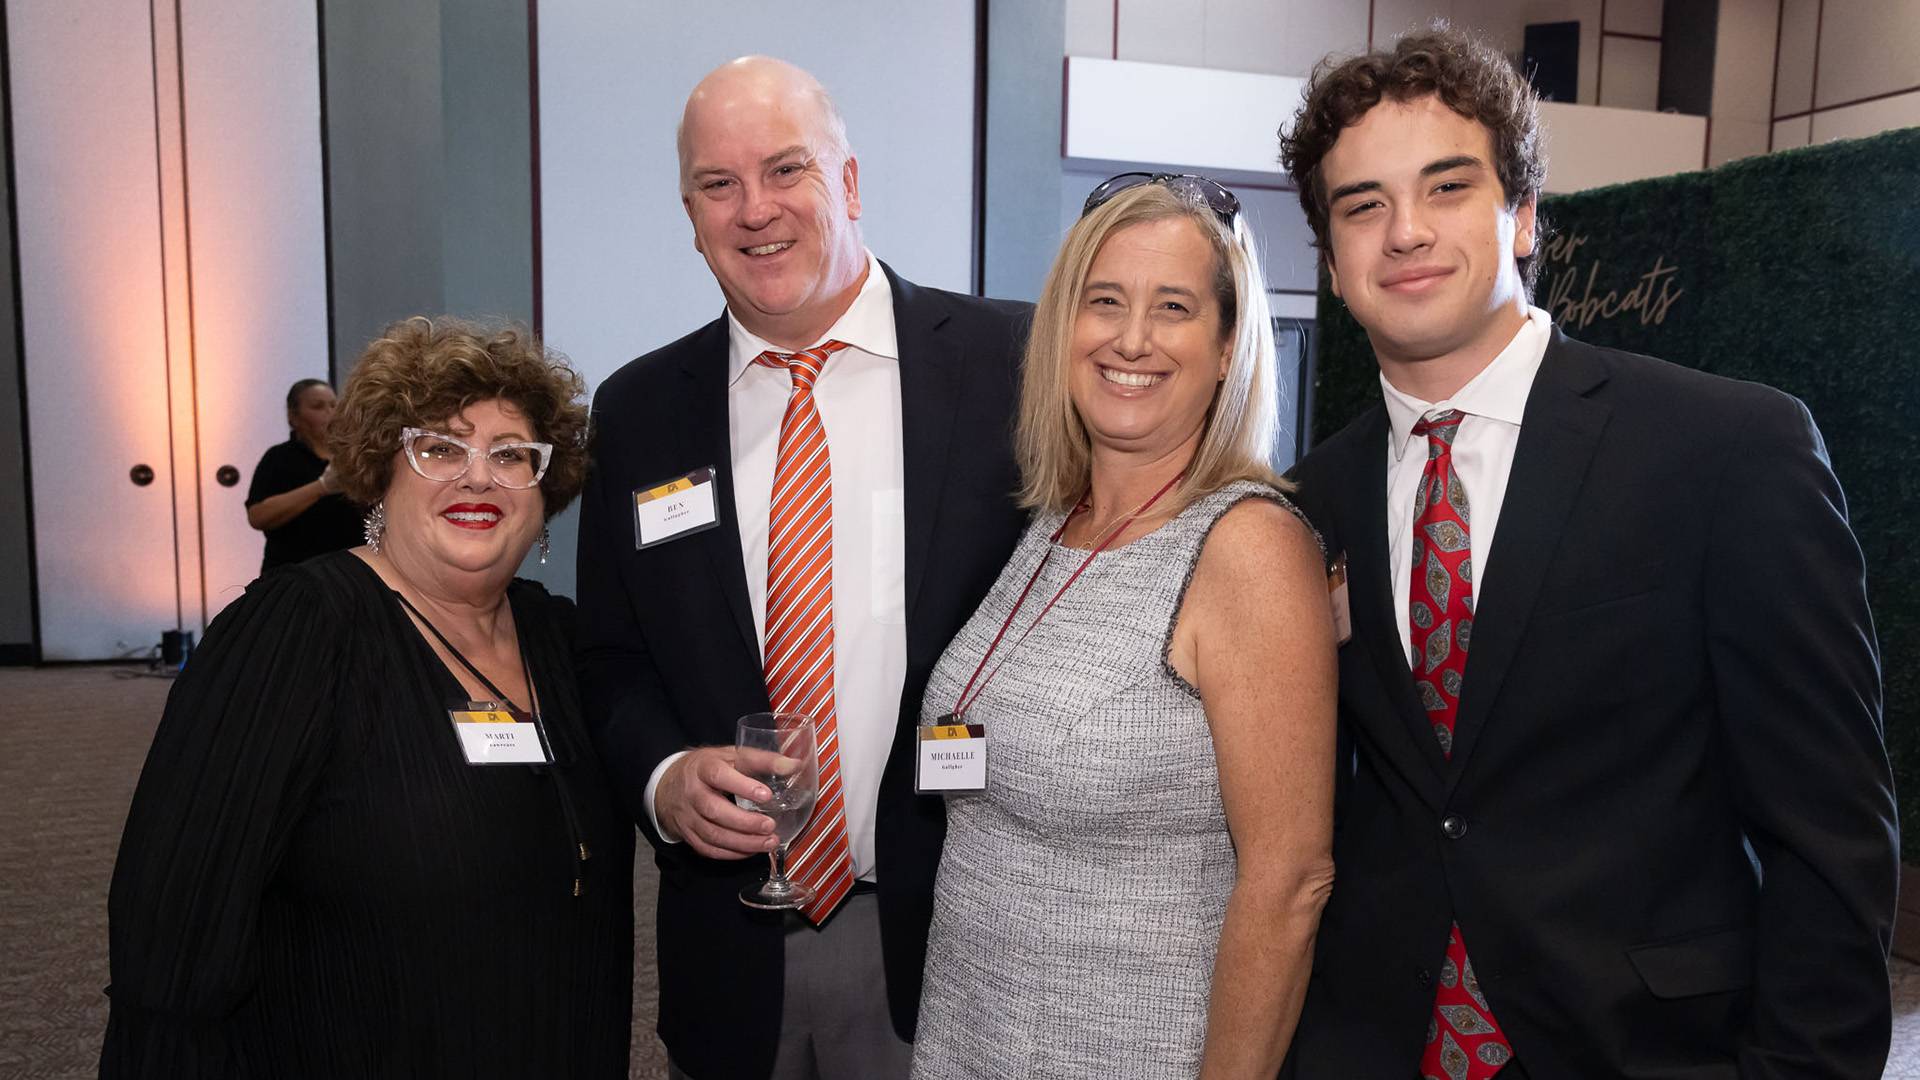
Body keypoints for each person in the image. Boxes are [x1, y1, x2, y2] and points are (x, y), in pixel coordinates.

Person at [1279, 28, 1896, 1079]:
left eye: (1446, 186)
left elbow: (1830, 836)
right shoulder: (1310, 501)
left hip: (1647, 1047)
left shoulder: (1728, 451)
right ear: (1334, 265)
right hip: (1376, 1044)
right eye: (1363, 206)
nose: (1406, 232)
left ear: (1521, 217)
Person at [575, 56, 1031, 1080]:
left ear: (851, 183)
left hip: (950, 930)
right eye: (718, 184)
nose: (755, 210)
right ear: (690, 214)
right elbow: (608, 657)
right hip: (728, 940)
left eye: (787, 170)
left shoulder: (1012, 364)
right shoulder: (640, 412)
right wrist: (663, 775)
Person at [102, 317, 633, 1078]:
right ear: (382, 470)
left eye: (511, 455)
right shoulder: (299, 630)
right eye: (440, 449)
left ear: (544, 494)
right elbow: (175, 930)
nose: (478, 477)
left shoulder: (558, 637)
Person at [909, 175, 1337, 1080]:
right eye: (1104, 301)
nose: (1131, 338)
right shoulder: (1052, 524)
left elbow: (1289, 884)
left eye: (1173, 307)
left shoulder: (1246, 547)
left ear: (1227, 348)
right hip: (968, 1043)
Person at [245, 378, 363, 571]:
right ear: (294, 417)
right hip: (292, 574)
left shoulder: (353, 456)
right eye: (318, 406)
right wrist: (322, 487)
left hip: (349, 573)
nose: (330, 412)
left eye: (334, 405)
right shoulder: (279, 457)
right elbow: (258, 516)